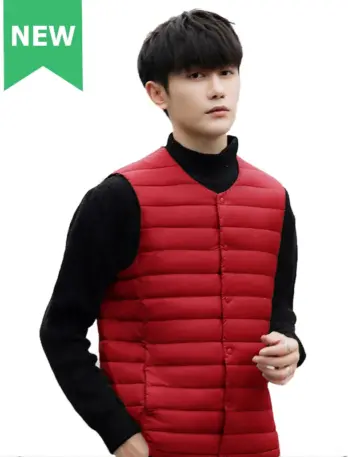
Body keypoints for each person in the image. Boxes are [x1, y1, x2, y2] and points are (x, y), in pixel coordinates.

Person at [39, 8, 306, 457]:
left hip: (254, 444)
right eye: (196, 75)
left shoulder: (273, 199)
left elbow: (280, 317)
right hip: (157, 445)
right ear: (157, 92)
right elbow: (60, 332)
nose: (217, 89)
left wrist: (290, 349)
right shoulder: (117, 200)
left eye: (227, 72)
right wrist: (118, 434)